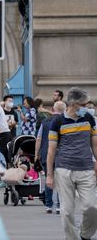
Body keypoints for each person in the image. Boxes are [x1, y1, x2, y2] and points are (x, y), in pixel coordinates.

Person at [46, 87, 97, 240]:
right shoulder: (57, 121)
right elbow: (51, 150)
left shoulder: (89, 119)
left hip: (86, 169)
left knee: (91, 207)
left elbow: (95, 145)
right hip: (64, 169)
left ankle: (85, 234)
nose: (87, 107)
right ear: (74, 104)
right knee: (67, 211)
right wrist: (49, 175)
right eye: (84, 104)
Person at [35, 101, 66, 214]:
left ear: (53, 109)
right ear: (65, 110)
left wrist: (36, 154)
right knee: (61, 180)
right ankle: (59, 205)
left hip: (45, 153)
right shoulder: (66, 122)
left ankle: (48, 205)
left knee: (49, 178)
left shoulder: (45, 122)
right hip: (61, 154)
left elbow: (38, 139)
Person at [0, 100, 12, 167]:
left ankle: (5, 173)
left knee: (3, 154)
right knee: (6, 154)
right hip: (5, 133)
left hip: (3, 134)